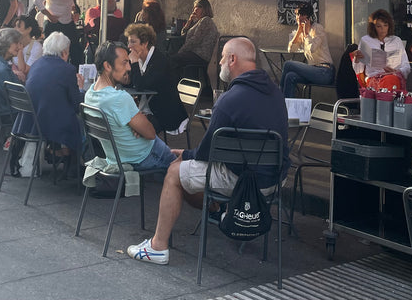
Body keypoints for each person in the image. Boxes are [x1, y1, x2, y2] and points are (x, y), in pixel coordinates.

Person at [127, 36, 289, 265]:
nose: (219, 62)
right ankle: (220, 211)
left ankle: (158, 246)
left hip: (243, 181)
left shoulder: (229, 100)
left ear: (233, 59)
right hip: (275, 180)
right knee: (193, 169)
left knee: (175, 172)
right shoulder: (276, 92)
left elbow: (206, 153)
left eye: (222, 57)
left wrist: (185, 154)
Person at [84, 41, 176, 172]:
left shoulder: (90, 94)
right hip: (143, 156)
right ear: (107, 66)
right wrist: (139, 122)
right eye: (124, 63)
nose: (129, 67)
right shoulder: (119, 99)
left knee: (181, 161)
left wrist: (136, 122)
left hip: (115, 158)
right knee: (183, 171)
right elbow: (150, 133)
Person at [12, 31, 85, 175]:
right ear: (64, 52)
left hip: (29, 119)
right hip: (50, 123)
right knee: (81, 122)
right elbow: (77, 103)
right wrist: (81, 89)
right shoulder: (68, 69)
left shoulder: (37, 64)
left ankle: (59, 152)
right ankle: (73, 164)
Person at [126, 23, 186, 134]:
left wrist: (133, 64)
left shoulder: (159, 61)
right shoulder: (139, 59)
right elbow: (130, 83)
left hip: (165, 114)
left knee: (133, 130)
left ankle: (149, 151)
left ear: (145, 43)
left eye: (133, 42)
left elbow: (140, 86)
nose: (129, 46)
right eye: (128, 42)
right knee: (122, 122)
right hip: (147, 110)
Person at [30, 0, 81, 65]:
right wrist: (49, 15)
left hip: (68, 22)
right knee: (53, 53)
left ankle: (75, 75)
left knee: (77, 52)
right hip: (53, 23)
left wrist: (73, 9)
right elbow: (37, 0)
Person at [281, 3, 334, 98]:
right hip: (313, 70)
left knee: (288, 64)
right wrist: (299, 30)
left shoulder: (318, 28)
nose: (298, 17)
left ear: (308, 17)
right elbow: (291, 49)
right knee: (290, 76)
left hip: (324, 72)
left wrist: (306, 34)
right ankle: (286, 107)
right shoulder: (302, 32)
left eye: (302, 14)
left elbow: (312, 49)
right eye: (297, 14)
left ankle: (278, 99)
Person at [357, 8, 410, 91]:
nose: (383, 29)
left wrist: (397, 71)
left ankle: (385, 100)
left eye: (385, 25)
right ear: (373, 27)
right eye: (379, 26)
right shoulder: (366, 40)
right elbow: (358, 69)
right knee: (389, 81)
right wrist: (357, 59)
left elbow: (406, 66)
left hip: (394, 77)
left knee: (391, 80)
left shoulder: (396, 40)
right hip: (374, 78)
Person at [172, 0, 219, 79]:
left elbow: (194, 40)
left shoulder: (206, 20)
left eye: (197, 7)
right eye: (194, 7)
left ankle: (173, 86)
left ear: (204, 9)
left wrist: (181, 51)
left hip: (201, 55)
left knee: (173, 59)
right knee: (175, 59)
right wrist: (189, 21)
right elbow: (183, 34)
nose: (194, 10)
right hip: (196, 53)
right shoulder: (199, 21)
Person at [12, 15, 44, 82]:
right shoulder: (12, 43)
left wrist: (20, 52)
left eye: (18, 26)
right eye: (14, 26)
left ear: (29, 29)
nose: (14, 29)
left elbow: (24, 72)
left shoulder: (36, 47)